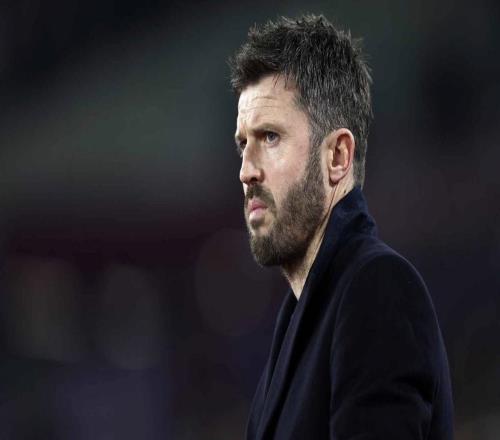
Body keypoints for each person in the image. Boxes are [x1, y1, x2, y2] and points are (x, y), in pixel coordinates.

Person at [228, 14, 454, 440]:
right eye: (244, 144)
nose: (246, 170)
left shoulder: (378, 290)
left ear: (337, 157)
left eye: (270, 137)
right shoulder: (299, 318)